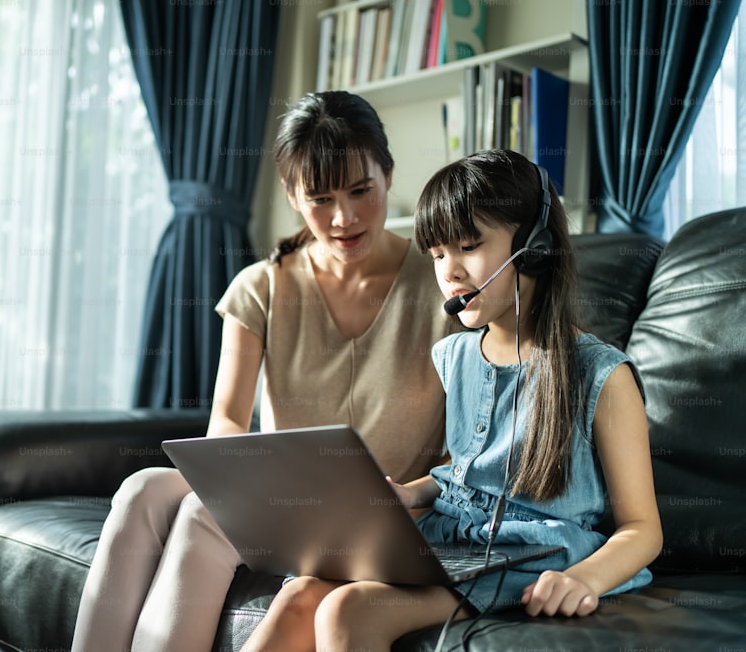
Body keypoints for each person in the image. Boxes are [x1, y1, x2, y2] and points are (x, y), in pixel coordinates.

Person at [70, 91, 454, 652]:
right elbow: (226, 419)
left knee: (202, 511)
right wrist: (247, 477)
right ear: (291, 194)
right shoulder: (262, 286)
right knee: (140, 491)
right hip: (283, 493)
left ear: (388, 176)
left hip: (384, 507)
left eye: (360, 191)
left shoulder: (443, 283)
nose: (343, 218)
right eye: (320, 198)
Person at [240, 149, 664, 652]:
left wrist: (587, 579)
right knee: (301, 593)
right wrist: (411, 494)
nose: (450, 271)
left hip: (533, 554)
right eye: (438, 254)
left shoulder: (600, 374)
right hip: (455, 541)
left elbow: (642, 528)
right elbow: (463, 473)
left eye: (468, 246)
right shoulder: (454, 356)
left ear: (534, 246)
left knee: (347, 610)